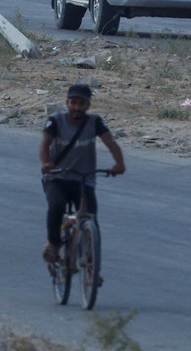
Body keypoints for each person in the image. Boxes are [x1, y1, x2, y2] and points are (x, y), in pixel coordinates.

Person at [39, 83, 125, 263]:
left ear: (88, 106)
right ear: (67, 102)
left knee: (90, 218)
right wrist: (46, 162)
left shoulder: (95, 122)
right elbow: (45, 143)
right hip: (57, 177)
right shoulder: (56, 120)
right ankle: (53, 244)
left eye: (81, 104)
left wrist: (119, 163)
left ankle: (92, 267)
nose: (77, 107)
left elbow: (110, 143)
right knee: (57, 206)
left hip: (83, 180)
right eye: (73, 103)